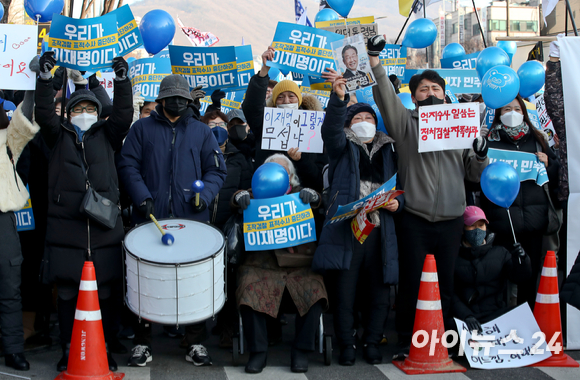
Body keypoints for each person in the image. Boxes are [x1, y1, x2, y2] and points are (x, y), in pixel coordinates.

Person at [365, 35, 489, 355]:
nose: (431, 93)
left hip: (451, 220)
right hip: (415, 219)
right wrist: (376, 63)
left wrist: (480, 153)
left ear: (445, 94)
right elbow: (387, 101)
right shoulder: (406, 125)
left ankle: (443, 340)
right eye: (424, 89)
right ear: (415, 99)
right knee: (412, 283)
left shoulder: (462, 128)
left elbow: (473, 176)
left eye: (436, 89)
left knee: (444, 285)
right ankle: (408, 339)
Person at [117, 74, 227, 368]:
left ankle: (195, 341)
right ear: (161, 99)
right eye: (172, 97)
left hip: (191, 219)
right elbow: (128, 164)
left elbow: (216, 172)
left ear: (189, 102)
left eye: (183, 98)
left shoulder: (202, 133)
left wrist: (204, 197)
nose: (178, 102)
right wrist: (141, 195)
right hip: (150, 219)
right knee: (145, 280)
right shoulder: (141, 129)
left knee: (194, 280)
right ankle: (142, 341)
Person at [34, 51, 133, 372]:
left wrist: (122, 80)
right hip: (67, 231)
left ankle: (103, 346)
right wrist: (46, 79)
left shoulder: (107, 135)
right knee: (66, 294)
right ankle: (67, 348)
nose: (85, 112)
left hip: (104, 229)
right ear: (71, 113)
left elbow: (122, 114)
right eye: (79, 108)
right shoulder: (57, 135)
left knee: (105, 294)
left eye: (91, 108)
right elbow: (45, 111)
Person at [313, 71, 404, 366]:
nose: (364, 122)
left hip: (380, 230)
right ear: (349, 125)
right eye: (357, 119)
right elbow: (330, 133)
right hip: (348, 231)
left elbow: (400, 184)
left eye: (369, 118)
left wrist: (395, 204)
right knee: (345, 293)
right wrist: (338, 99)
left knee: (379, 293)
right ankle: (347, 344)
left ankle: (372, 340)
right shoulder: (342, 146)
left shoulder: (389, 148)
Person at [232, 155, 327, 374]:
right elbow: (236, 196)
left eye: (281, 170)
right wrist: (239, 197)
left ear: (290, 177)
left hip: (298, 265)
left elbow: (319, 200)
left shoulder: (299, 195)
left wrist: (314, 197)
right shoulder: (255, 194)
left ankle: (301, 351)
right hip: (261, 265)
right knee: (249, 289)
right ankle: (258, 352)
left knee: (315, 290)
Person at [481, 95, 560, 309]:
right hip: (502, 223)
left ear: (524, 112)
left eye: (517, 108)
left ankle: (528, 320)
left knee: (530, 274)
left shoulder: (537, 138)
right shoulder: (489, 141)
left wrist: (548, 162)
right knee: (502, 277)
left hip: (534, 222)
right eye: (506, 109)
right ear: (498, 114)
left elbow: (556, 175)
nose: (512, 113)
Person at [242, 46, 327, 192]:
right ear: (274, 102)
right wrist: (264, 71)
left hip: (303, 200)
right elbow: (252, 106)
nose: (286, 100)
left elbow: (318, 178)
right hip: (266, 192)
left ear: (299, 100)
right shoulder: (265, 122)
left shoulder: (314, 128)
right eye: (280, 97)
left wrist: (301, 160)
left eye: (291, 96)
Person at [0, 62, 40, 371]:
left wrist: (33, 81)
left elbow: (25, 116)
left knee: (9, 287)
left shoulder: (7, 138)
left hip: (3, 221)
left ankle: (13, 348)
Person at [453, 206, 531, 334]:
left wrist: (522, 260)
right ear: (462, 229)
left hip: (496, 315)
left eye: (481, 225)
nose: (477, 230)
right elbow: (450, 293)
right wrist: (466, 315)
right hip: (465, 319)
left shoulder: (500, 253)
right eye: (472, 226)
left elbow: (520, 277)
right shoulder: (453, 257)